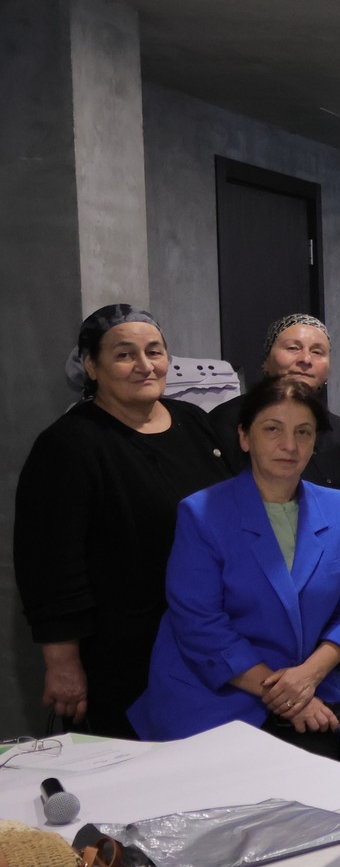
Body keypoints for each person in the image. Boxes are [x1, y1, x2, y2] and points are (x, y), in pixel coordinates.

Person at [16, 305, 233, 738]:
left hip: (207, 639)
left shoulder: (193, 422)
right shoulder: (68, 444)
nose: (144, 365)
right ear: (91, 366)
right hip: (124, 653)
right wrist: (63, 663)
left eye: (154, 351)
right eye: (124, 354)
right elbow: (51, 567)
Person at [130, 376, 340, 746]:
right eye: (272, 429)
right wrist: (286, 694)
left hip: (311, 689)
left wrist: (308, 676)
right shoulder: (202, 513)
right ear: (245, 437)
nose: (289, 445)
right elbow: (200, 624)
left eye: (303, 432)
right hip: (216, 697)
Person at [209, 314, 340, 495]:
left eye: (317, 352)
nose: (306, 359)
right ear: (266, 361)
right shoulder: (226, 420)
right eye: (293, 348)